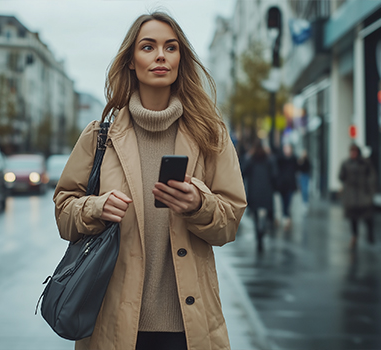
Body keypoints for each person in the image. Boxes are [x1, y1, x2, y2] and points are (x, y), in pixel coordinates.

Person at [53, 12, 247, 350]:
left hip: (190, 328)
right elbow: (63, 213)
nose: (160, 55)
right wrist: (96, 207)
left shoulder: (210, 135)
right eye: (148, 47)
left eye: (170, 48)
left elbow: (229, 223)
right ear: (131, 60)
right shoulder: (101, 135)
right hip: (113, 325)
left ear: (180, 59)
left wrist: (199, 204)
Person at [241, 140, 277, 252]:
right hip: (266, 190)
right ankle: (263, 228)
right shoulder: (269, 159)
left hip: (254, 191)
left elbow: (243, 171)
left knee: (256, 216)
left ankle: (259, 235)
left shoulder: (251, 160)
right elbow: (274, 174)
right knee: (265, 214)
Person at [338, 144, 377, 249]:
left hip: (363, 194)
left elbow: (371, 176)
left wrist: (370, 190)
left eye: (355, 152)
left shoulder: (365, 163)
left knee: (367, 216)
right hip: (351, 196)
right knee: (353, 218)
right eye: (351, 152)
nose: (353, 154)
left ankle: (370, 235)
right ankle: (354, 235)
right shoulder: (346, 163)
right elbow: (341, 176)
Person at [276, 143, 298, 230]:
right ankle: (285, 216)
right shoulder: (280, 159)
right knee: (283, 201)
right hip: (282, 185)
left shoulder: (294, 159)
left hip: (290, 185)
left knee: (288, 202)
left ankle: (286, 217)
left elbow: (298, 169)